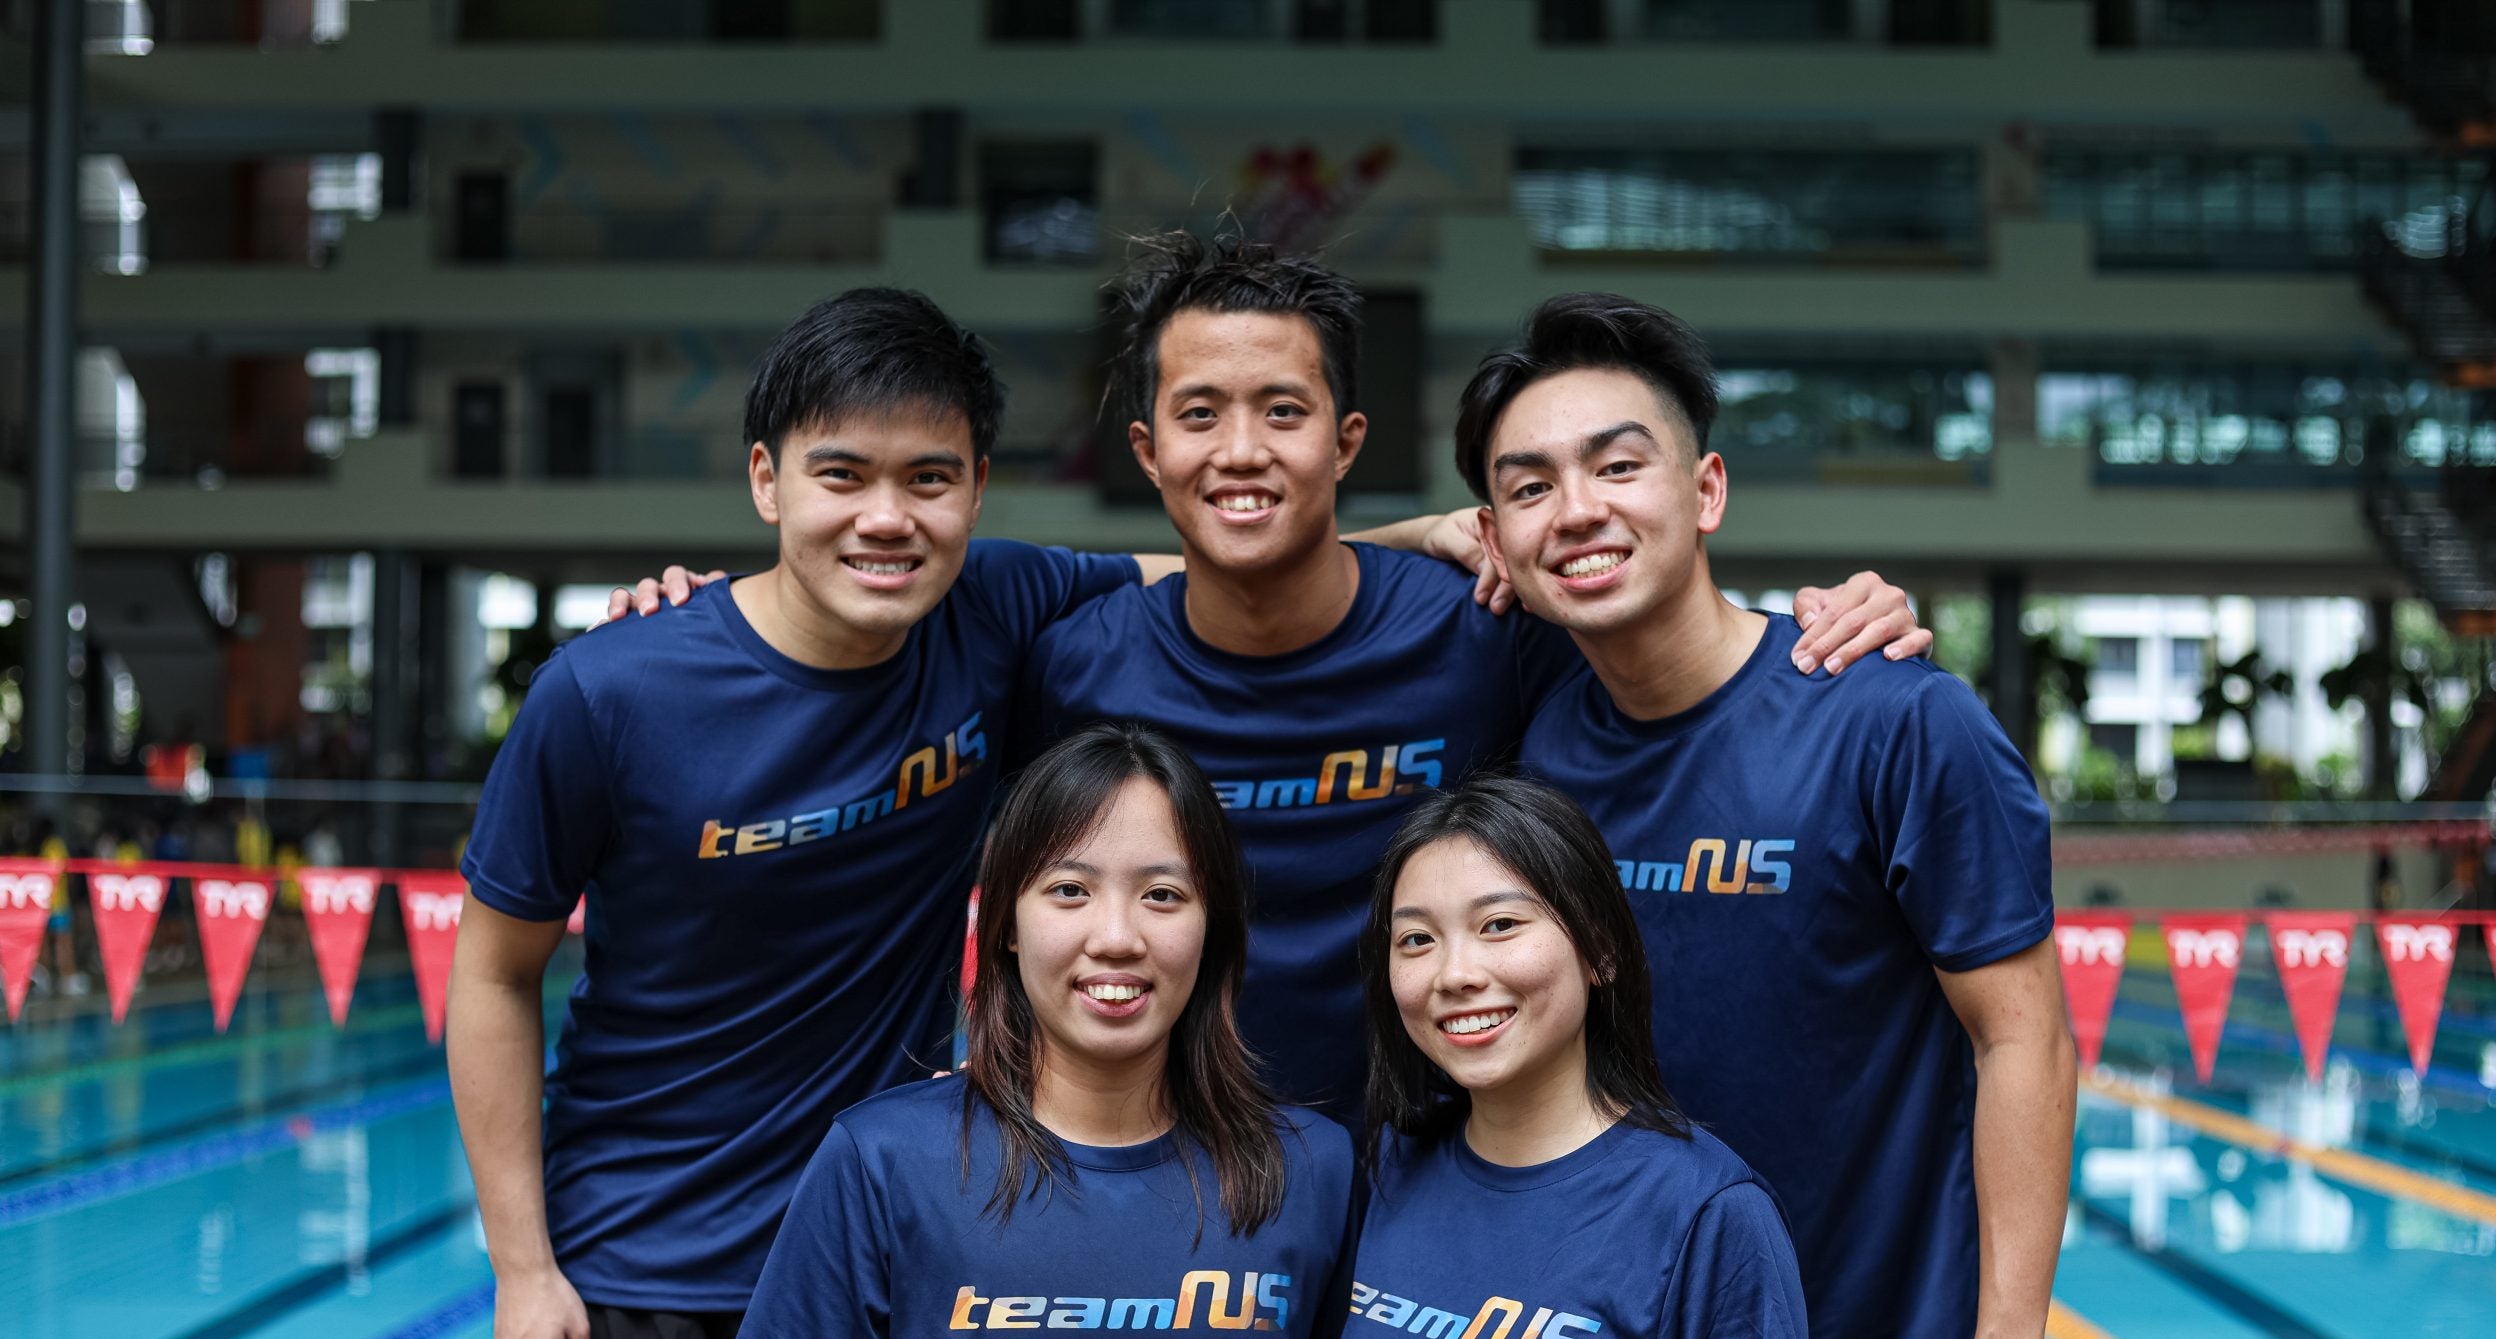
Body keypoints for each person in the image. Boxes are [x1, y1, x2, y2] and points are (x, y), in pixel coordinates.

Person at [627, 233, 1927, 1126]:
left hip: (1430, 1183)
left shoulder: (1480, 627)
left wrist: (1820, 621)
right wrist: (688, 619)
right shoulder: (1068, 659)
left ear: (1349, 439)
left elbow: (1659, 643)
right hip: (1178, 1190)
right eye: (1200, 413)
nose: (1239, 451)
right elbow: (836, 629)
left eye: (1284, 412)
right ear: (1147, 447)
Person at [450, 287, 1166, 1339]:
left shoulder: (997, 610)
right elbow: (494, 972)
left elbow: (1238, 571)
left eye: (930, 479)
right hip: (630, 1272)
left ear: (975, 490)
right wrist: (524, 1269)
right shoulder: (611, 691)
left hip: (875, 1262)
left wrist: (1458, 539)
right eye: (841, 473)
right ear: (767, 477)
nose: (886, 519)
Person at [1459, 293, 2076, 1339]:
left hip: (1915, 1332)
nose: (1579, 509)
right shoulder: (1523, 728)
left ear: (1707, 488)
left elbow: (2023, 1032)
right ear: (1490, 536)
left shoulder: (1893, 716)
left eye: (1619, 464)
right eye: (1527, 484)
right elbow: (1274, 558)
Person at [724, 722, 1356, 1339]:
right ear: (1008, 923)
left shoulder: (1301, 1175)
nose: (1116, 936)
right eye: (1069, 890)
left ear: (1214, 926)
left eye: (1163, 894)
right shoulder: (886, 1163)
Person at [1278, 771, 1823, 1339]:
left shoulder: (1707, 1215)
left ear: (1600, 946)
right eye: (1417, 940)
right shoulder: (1380, 1172)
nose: (1455, 972)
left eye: (1500, 925)